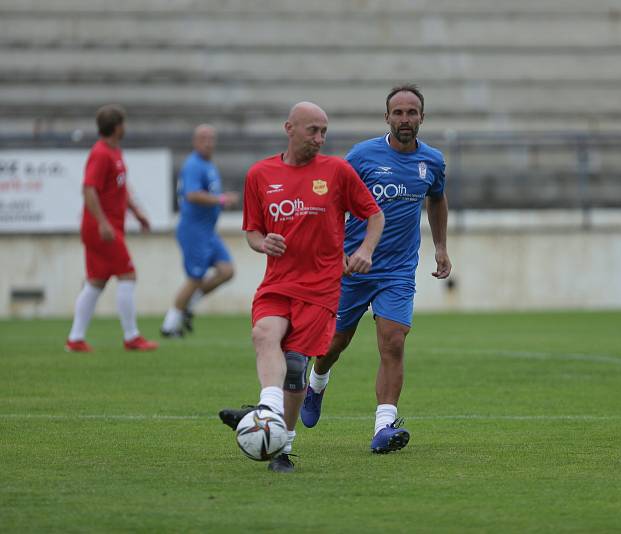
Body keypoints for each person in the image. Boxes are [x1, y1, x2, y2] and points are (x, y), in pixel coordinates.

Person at [219, 102, 384, 473]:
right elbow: (251, 231)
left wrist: (366, 250)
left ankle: (281, 445)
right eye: (313, 131)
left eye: (324, 131)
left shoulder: (337, 171)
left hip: (321, 287)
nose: (320, 138)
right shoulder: (260, 174)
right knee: (264, 333)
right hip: (277, 282)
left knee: (295, 368)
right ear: (289, 128)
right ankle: (268, 413)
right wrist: (262, 243)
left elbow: (374, 214)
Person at [300, 84, 451, 453]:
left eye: (411, 113)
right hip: (353, 267)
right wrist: (335, 251)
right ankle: (317, 382)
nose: (405, 119)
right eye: (398, 113)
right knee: (333, 344)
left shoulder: (432, 161)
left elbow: (437, 199)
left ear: (421, 118)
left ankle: (384, 427)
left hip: (398, 270)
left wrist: (441, 247)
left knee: (393, 342)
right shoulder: (363, 156)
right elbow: (332, 202)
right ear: (387, 117)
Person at [65, 104, 159, 352]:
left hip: (107, 227)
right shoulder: (101, 154)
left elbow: (119, 188)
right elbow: (88, 189)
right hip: (102, 229)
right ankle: (132, 337)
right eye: (123, 124)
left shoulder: (114, 152)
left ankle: (75, 339)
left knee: (96, 281)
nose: (124, 128)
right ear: (117, 127)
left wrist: (137, 213)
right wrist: (103, 223)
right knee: (128, 275)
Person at [161, 125, 239, 337]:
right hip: (193, 230)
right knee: (195, 277)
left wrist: (220, 199)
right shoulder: (194, 165)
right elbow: (192, 194)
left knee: (226, 271)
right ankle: (169, 325)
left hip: (208, 231)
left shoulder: (208, 165)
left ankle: (189, 303)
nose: (208, 142)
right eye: (204, 138)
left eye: (211, 138)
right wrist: (221, 199)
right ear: (195, 142)